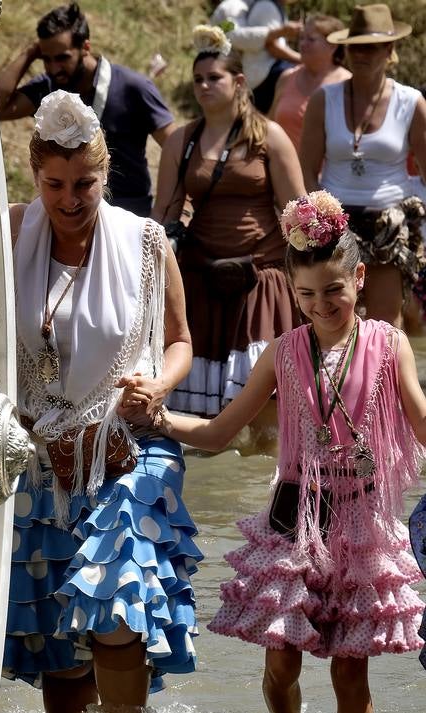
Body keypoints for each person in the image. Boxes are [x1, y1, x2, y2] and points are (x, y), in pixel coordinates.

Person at [120, 191, 426, 713]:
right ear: (291, 290)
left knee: (349, 674)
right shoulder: (283, 353)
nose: (321, 305)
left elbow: (421, 422)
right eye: (306, 294)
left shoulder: (389, 344)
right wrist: (158, 417)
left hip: (361, 520)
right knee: (281, 661)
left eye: (334, 290)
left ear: (359, 278)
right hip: (294, 514)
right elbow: (219, 432)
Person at [4, 90, 201, 713]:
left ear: (106, 173)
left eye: (83, 183)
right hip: (38, 450)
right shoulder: (9, 234)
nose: (68, 199)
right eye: (54, 184)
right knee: (57, 644)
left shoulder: (147, 242)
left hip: (126, 449)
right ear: (35, 175)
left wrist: (159, 382)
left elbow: (179, 340)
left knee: (115, 609)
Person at [152, 26, 304, 420]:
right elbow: (163, 216)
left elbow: (299, 214)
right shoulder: (180, 141)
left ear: (238, 81)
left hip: (261, 280)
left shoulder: (269, 136)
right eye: (197, 79)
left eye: (213, 78)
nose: (204, 85)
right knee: (203, 413)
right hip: (201, 280)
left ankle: (261, 481)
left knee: (269, 410)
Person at [301, 3, 426, 328]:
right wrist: (318, 226)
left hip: (389, 224)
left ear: (389, 49)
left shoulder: (411, 102)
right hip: (334, 224)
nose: (362, 54)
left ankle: (386, 381)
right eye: (355, 47)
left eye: (371, 47)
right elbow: (306, 170)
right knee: (334, 322)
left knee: (386, 328)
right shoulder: (323, 100)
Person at [0, 2, 175, 216]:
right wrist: (30, 52)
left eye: (62, 57)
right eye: (46, 59)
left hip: (129, 212)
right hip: (71, 212)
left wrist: (167, 209)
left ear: (85, 48)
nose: (53, 68)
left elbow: (176, 149)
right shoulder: (50, 87)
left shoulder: (133, 87)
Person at [268, 14, 350, 152]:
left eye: (311, 39)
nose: (302, 44)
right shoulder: (287, 77)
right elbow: (270, 125)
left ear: (333, 46)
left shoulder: (347, 83)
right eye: (301, 38)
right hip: (281, 170)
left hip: (327, 172)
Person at [211, 0, 302, 113]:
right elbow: (234, 36)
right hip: (221, 70)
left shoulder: (255, 5)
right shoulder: (233, 6)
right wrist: (279, 32)